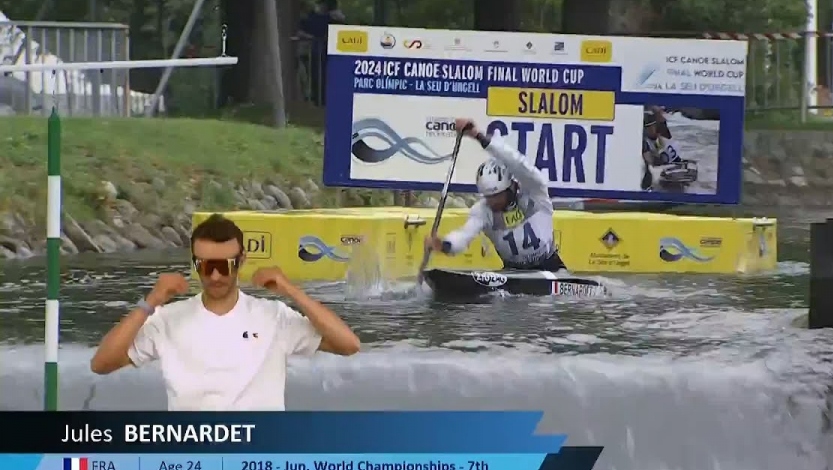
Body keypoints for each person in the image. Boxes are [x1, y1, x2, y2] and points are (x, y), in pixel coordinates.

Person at [90, 213, 360, 410]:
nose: (216, 275)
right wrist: (150, 302)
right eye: (206, 266)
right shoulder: (167, 319)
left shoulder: (273, 316)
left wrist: (291, 290)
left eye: (225, 265)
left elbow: (348, 344)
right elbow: (102, 364)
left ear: (241, 261)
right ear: (195, 264)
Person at [425, 118, 565, 271]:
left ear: (511, 187)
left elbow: (517, 162)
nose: (493, 202)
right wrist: (445, 245)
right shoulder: (483, 211)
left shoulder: (535, 191)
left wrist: (477, 136)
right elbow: (465, 235)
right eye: (489, 197)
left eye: (497, 196)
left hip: (551, 266)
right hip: (513, 274)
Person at [641, 109, 685, 191]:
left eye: (653, 126)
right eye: (648, 127)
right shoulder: (644, 142)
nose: (652, 129)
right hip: (656, 175)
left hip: (670, 169)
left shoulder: (661, 138)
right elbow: (651, 163)